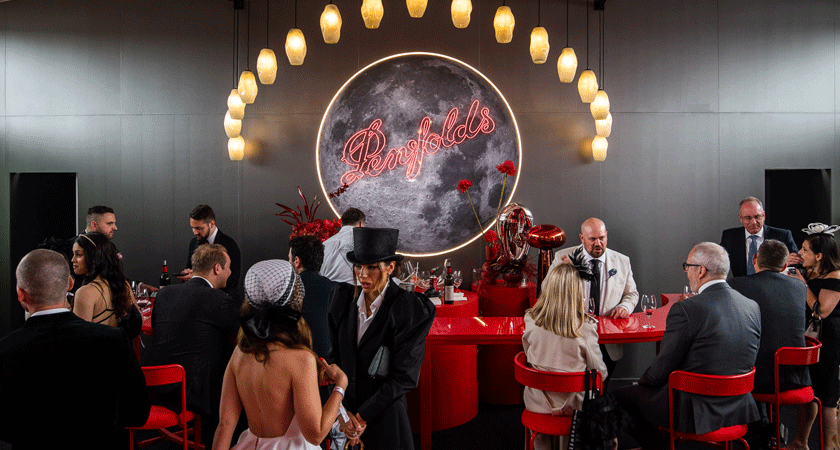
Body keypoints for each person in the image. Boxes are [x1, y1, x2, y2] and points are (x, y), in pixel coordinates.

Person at [614, 242, 761, 450]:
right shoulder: (751, 306)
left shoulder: (687, 309)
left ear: (701, 271)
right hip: (738, 405)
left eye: (688, 266)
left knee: (619, 398)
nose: (686, 273)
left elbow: (661, 369)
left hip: (694, 409)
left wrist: (643, 383)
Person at [0, 249, 150, 449]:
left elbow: (6, 428)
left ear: (21, 294)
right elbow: (138, 413)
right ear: (70, 284)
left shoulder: (6, 351)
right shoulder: (113, 340)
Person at [212, 260, 348, 450]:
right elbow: (316, 434)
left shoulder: (240, 353)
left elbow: (225, 425)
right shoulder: (301, 359)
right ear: (295, 297)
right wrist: (340, 386)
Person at [328, 227, 435, 449]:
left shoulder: (408, 309)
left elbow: (405, 376)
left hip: (386, 420)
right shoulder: (341, 301)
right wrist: (342, 412)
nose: (362, 274)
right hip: (347, 420)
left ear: (390, 267)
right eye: (358, 266)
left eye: (371, 267)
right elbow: (332, 360)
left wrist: (361, 417)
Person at [145, 243, 241, 449]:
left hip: (156, 386)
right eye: (228, 267)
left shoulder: (164, 294)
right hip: (193, 393)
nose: (231, 272)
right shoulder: (220, 300)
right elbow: (242, 337)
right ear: (217, 268)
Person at [522, 263, 607, 450]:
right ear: (576, 292)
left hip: (536, 404)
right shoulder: (585, 328)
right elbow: (600, 374)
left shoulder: (530, 320)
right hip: (574, 409)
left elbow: (528, 356)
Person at [550, 217, 638, 383]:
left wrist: (625, 306)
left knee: (602, 389)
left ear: (606, 236)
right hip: (574, 338)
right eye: (592, 239)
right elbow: (548, 293)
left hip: (608, 342)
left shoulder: (622, 261)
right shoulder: (562, 258)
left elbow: (631, 294)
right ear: (582, 238)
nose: (598, 243)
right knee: (578, 390)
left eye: (602, 238)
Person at [729, 239, 809, 393]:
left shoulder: (736, 285)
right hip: (796, 374)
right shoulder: (800, 286)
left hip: (753, 376)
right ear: (785, 266)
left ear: (754, 260)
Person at [786, 224, 840, 450]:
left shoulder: (835, 276)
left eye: (805, 250)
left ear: (819, 256)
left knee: (827, 397)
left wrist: (802, 284)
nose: (800, 252)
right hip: (810, 339)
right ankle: (800, 442)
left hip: (830, 341)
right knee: (808, 391)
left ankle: (830, 447)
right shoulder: (808, 271)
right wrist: (787, 267)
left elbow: (821, 310)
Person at [71, 231, 142, 338]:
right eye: (73, 254)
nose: (73, 260)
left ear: (94, 256)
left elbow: (80, 340)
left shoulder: (85, 293)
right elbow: (137, 319)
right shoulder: (122, 284)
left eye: (78, 254)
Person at [720, 197, 800, 277]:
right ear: (741, 218)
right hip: (741, 287)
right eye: (748, 218)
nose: (753, 222)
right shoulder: (729, 237)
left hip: (772, 285)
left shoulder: (782, 236)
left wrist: (785, 261)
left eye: (757, 216)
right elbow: (719, 263)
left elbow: (798, 263)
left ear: (764, 216)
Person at [178, 204, 242, 299]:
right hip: (197, 298)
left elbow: (232, 281)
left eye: (199, 228)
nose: (195, 232)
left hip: (222, 299)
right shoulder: (193, 242)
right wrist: (187, 274)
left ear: (212, 224)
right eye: (193, 228)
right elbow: (189, 267)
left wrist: (197, 277)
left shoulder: (229, 244)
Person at [289, 235, 335, 359]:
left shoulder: (288, 290)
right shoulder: (334, 289)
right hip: (330, 363)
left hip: (297, 360)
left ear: (297, 261)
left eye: (289, 259)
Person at [320, 207, 365, 284]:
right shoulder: (366, 243)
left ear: (341, 224)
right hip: (358, 292)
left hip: (328, 292)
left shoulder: (324, 244)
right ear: (361, 224)